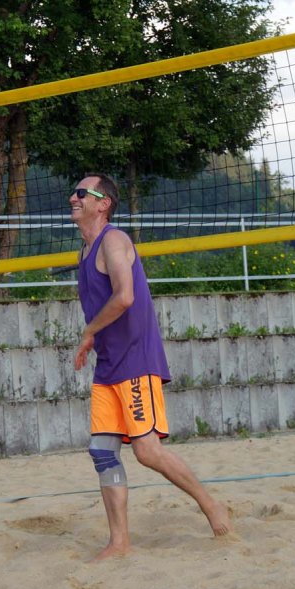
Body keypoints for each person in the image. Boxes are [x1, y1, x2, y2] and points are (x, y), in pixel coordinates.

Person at [71, 173, 232, 561]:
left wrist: (89, 330)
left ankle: (211, 505)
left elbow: (125, 297)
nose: (72, 198)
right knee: (103, 452)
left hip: (135, 359)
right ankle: (119, 541)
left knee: (147, 451)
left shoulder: (115, 240)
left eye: (80, 193)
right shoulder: (85, 249)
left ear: (103, 202)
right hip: (109, 362)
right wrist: (94, 337)